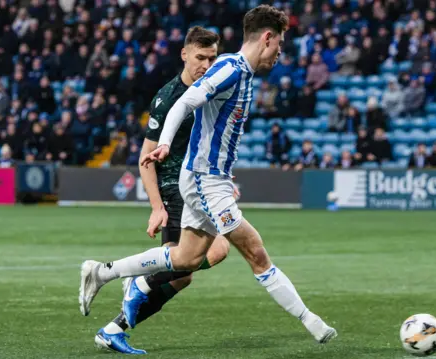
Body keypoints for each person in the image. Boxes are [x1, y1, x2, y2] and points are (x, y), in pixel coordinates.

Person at [79, 5, 337, 346]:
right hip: (203, 179)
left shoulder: (242, 73)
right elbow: (183, 103)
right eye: (280, 44)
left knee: (187, 259)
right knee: (255, 253)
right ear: (267, 38)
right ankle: (312, 322)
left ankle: (102, 272)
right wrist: (167, 144)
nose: (280, 53)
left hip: (211, 179)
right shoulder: (230, 68)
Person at [93, 26, 234, 354]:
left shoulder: (212, 91)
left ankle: (114, 327)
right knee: (212, 253)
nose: (206, 64)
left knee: (181, 274)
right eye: (200, 57)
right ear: (184, 54)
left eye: (212, 58)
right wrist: (157, 207)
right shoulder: (169, 97)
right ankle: (136, 279)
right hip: (176, 187)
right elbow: (146, 158)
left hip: (199, 186)